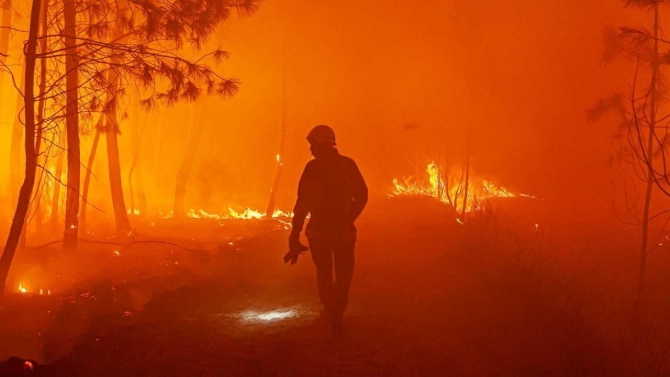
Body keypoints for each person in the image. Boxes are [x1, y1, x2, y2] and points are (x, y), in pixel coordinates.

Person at [285, 125, 368, 336]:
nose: (311, 150)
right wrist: (350, 217)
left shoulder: (312, 169)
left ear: (321, 145)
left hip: (319, 234)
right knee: (343, 275)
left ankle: (332, 311)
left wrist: (294, 236)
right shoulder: (348, 165)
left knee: (324, 273)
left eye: (312, 145)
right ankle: (336, 313)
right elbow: (362, 195)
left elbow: (302, 204)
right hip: (344, 233)